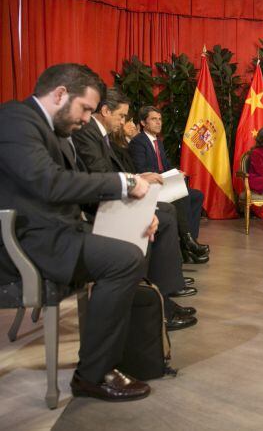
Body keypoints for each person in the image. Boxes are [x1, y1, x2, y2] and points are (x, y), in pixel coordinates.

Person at [0, 64, 154, 401]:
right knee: (125, 259)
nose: (87, 119)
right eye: (85, 108)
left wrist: (135, 213)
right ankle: (94, 374)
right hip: (29, 245)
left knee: (136, 237)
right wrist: (124, 182)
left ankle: (120, 352)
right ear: (59, 94)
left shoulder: (51, 130)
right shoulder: (15, 119)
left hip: (55, 234)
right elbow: (50, 184)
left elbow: (76, 194)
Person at [71, 90, 198, 329]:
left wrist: (138, 177)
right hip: (97, 209)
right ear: (106, 111)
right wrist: (136, 181)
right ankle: (158, 302)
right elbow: (99, 177)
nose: (123, 122)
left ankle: (163, 294)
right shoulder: (89, 134)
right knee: (163, 216)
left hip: (108, 199)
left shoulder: (100, 135)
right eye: (121, 116)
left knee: (167, 211)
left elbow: (108, 173)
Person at [129, 106, 209, 263]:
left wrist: (176, 172)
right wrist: (164, 176)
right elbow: (141, 169)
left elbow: (165, 165)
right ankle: (187, 244)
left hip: (164, 184)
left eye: (160, 119)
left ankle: (190, 242)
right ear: (143, 123)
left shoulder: (158, 142)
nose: (159, 123)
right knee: (181, 197)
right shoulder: (138, 142)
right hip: (151, 186)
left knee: (197, 195)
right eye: (154, 119)